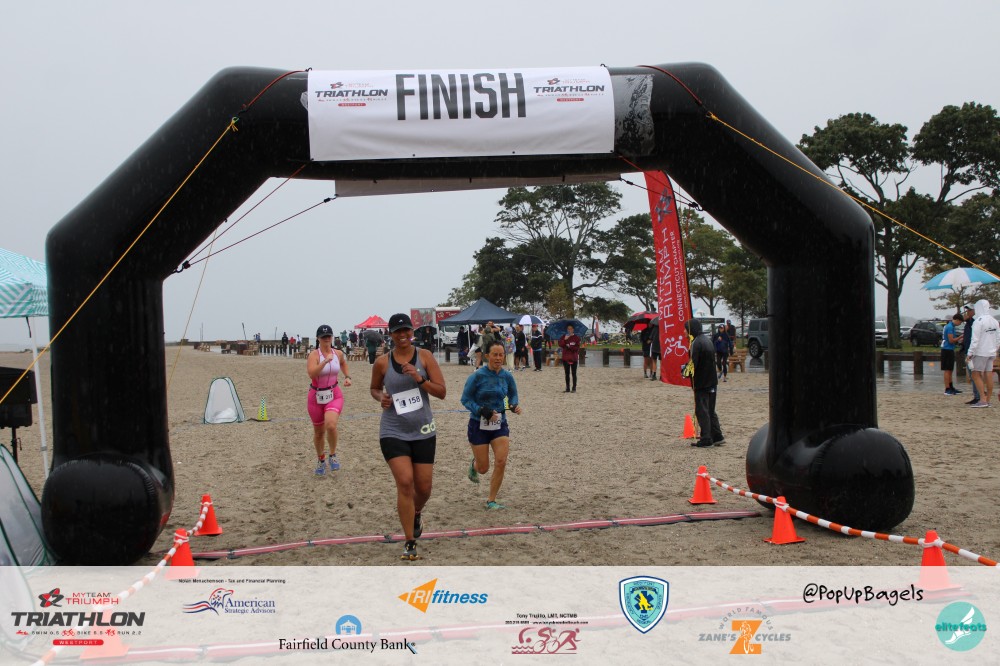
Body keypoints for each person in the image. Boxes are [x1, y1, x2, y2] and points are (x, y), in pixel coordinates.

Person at [370, 313, 446, 560]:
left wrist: (419, 378)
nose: (402, 335)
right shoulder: (382, 362)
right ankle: (409, 541)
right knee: (405, 482)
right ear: (390, 334)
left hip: (423, 430)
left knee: (423, 488)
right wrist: (381, 398)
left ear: (412, 332)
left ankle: (416, 512)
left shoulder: (425, 357)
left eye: (406, 330)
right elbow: (374, 388)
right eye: (397, 331)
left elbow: (441, 392)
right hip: (393, 430)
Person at [461, 339, 522, 510]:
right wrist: (481, 410)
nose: (498, 358)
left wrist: (513, 405)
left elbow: (513, 395)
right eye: (495, 355)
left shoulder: (507, 376)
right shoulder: (477, 376)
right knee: (483, 468)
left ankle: (491, 500)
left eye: (501, 355)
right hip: (478, 424)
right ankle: (475, 465)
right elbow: (465, 399)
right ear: (487, 356)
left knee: (501, 461)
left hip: (499, 424)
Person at [307, 324, 352, 476]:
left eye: (329, 336)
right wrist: (325, 362)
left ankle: (332, 455)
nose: (327, 339)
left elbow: (343, 363)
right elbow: (312, 374)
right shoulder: (314, 355)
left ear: (332, 337)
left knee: (331, 425)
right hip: (316, 396)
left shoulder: (337, 353)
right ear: (318, 339)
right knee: (319, 432)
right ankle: (321, 459)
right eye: (323, 337)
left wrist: (347, 377)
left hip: (334, 394)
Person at [685, 318, 724, 447]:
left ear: (691, 330)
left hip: (702, 382)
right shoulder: (707, 340)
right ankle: (717, 436)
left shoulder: (696, 343)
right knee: (711, 410)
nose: (684, 332)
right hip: (712, 380)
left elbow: (693, 364)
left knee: (702, 410)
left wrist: (684, 372)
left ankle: (706, 438)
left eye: (685, 329)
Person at [966, 299, 1000, 409]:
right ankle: (988, 399)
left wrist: (970, 353)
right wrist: (995, 349)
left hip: (981, 352)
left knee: (975, 374)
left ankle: (982, 399)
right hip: (991, 352)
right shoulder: (994, 321)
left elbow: (975, 340)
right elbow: (998, 338)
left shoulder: (978, 321)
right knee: (988, 374)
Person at [961, 304, 981, 405]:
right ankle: (977, 395)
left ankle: (978, 396)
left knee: (974, 374)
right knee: (972, 375)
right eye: (966, 311)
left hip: (972, 352)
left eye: (969, 311)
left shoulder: (974, 323)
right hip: (968, 351)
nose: (966, 313)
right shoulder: (968, 323)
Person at [941, 313, 964, 395]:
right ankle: (947, 388)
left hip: (950, 349)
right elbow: (951, 340)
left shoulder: (951, 326)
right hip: (947, 349)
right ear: (957, 320)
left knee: (950, 369)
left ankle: (951, 387)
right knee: (947, 369)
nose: (959, 324)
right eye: (960, 322)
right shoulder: (950, 327)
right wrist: (960, 337)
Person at [558, 324, 581, 392]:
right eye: (568, 329)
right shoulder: (564, 336)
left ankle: (574, 388)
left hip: (574, 358)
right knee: (567, 373)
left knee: (574, 373)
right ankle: (567, 388)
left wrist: (570, 346)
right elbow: (560, 344)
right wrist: (565, 340)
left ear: (573, 329)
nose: (569, 330)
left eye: (571, 329)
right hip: (566, 358)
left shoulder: (576, 338)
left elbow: (577, 348)